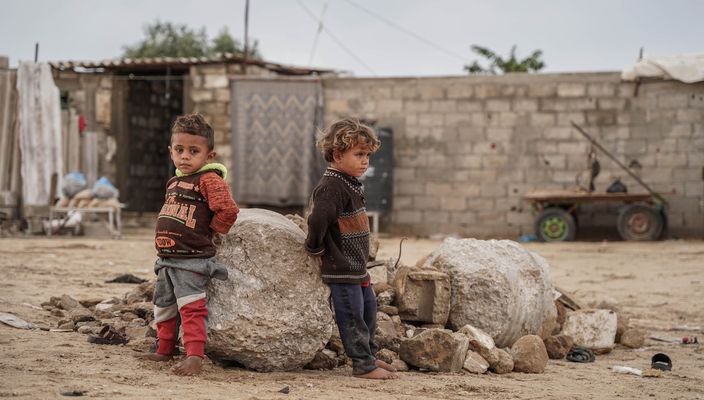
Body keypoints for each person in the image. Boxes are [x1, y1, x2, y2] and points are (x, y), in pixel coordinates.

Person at [143, 113, 239, 375]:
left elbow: (228, 210)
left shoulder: (209, 180)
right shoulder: (174, 182)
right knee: (163, 304)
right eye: (179, 150)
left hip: (192, 259)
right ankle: (165, 349)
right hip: (167, 259)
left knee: (192, 307)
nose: (185, 156)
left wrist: (211, 232)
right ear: (170, 151)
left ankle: (195, 356)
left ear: (209, 156)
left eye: (193, 151)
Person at [305, 118, 398, 380]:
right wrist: (314, 248)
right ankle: (362, 364)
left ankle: (369, 354)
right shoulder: (332, 186)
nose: (365, 161)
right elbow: (318, 219)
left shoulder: (349, 182)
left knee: (368, 311)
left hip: (357, 267)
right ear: (337, 154)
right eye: (359, 154)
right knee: (352, 315)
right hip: (341, 267)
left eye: (367, 155)